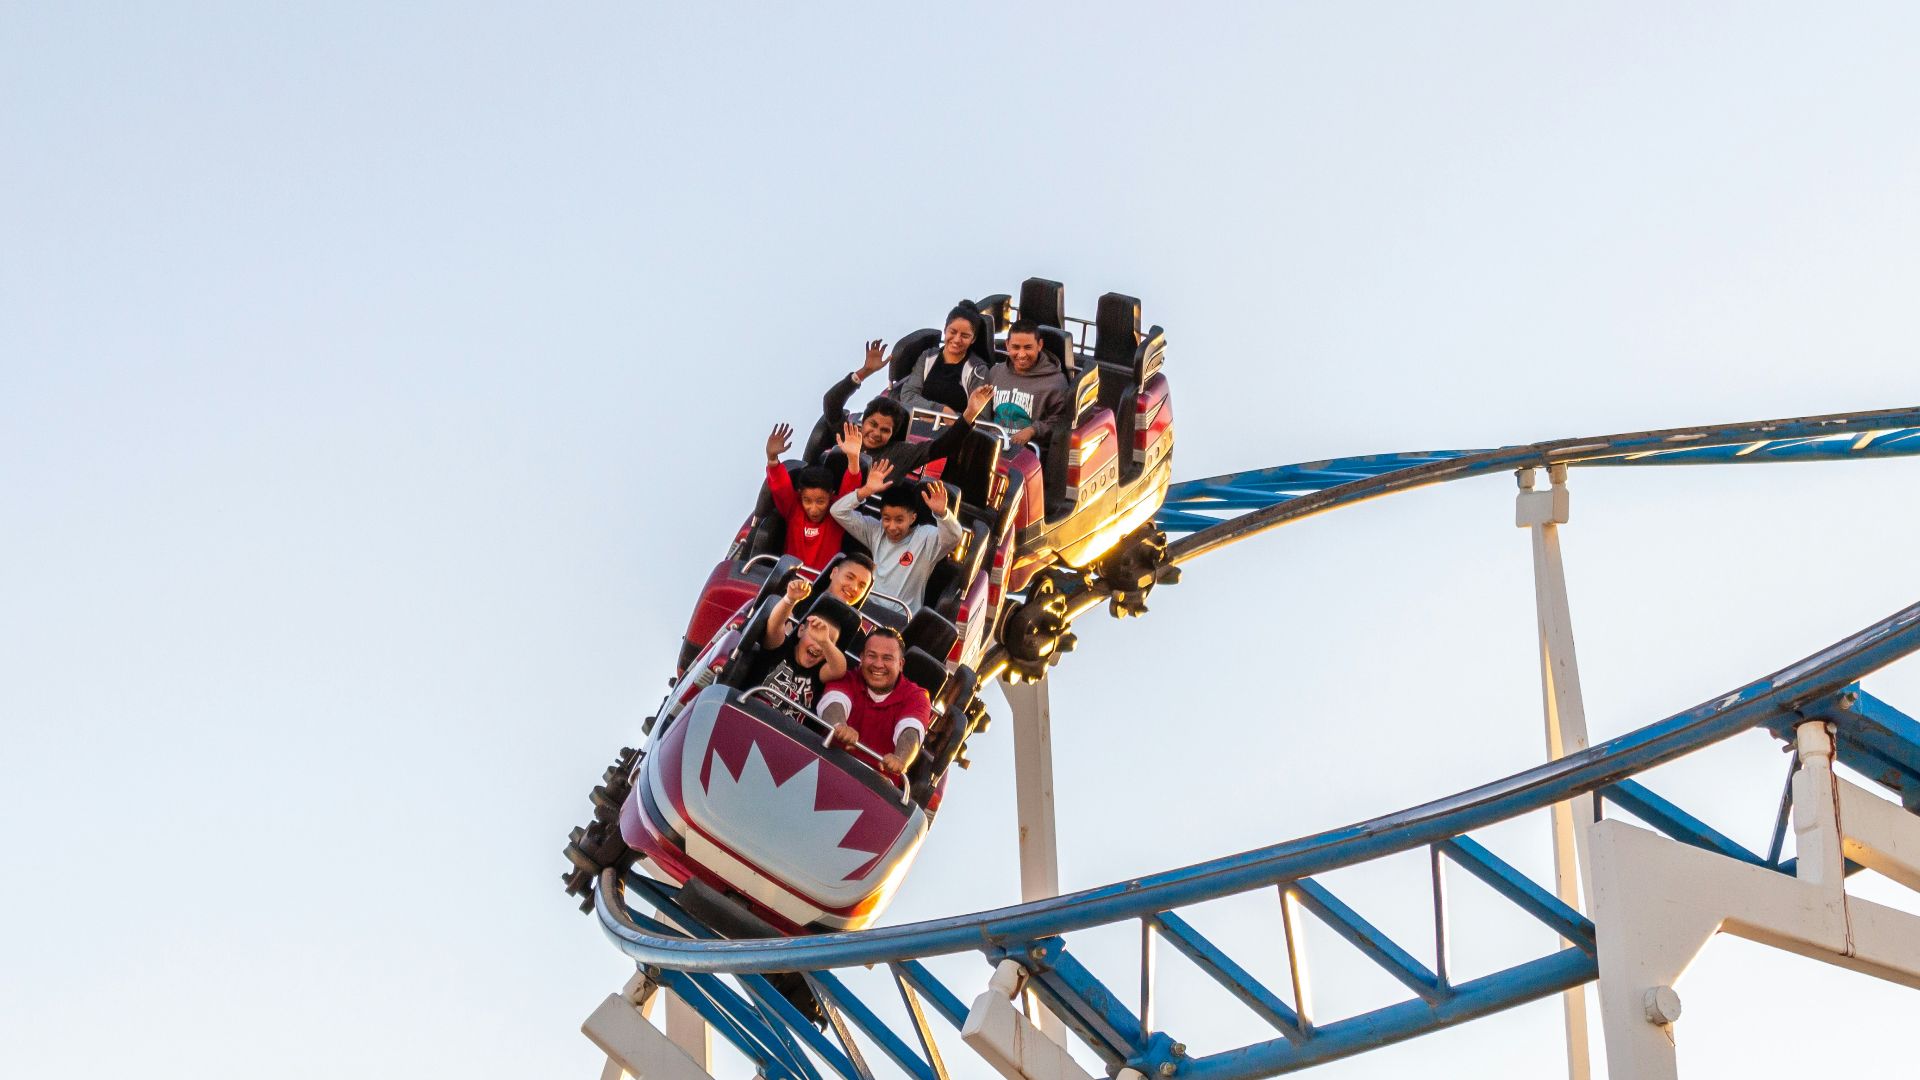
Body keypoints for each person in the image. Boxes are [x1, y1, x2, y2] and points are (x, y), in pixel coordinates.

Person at [817, 341, 995, 480]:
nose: (876, 433)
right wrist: (864, 371)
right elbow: (831, 403)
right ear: (863, 422)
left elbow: (943, 446)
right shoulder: (851, 434)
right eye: (873, 424)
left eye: (885, 430)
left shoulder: (899, 453)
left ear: (893, 434)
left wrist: (970, 413)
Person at [830, 459, 963, 614]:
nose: (892, 527)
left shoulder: (925, 537)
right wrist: (865, 490)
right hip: (866, 609)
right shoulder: (876, 530)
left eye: (899, 520)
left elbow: (954, 536)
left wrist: (942, 513)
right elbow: (838, 512)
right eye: (887, 519)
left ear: (912, 518)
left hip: (901, 618)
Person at [820, 628, 929, 778]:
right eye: (872, 656)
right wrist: (839, 725)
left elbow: (911, 732)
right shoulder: (846, 677)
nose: (878, 664)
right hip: (827, 764)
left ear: (901, 664)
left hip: (875, 786)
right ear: (862, 658)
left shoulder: (916, 696)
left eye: (887, 658)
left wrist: (900, 758)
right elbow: (833, 703)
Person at [743, 577, 850, 720]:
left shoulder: (819, 674)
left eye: (828, 641)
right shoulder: (781, 648)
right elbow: (775, 625)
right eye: (814, 635)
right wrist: (789, 599)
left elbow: (839, 668)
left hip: (784, 734)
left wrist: (825, 641)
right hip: (750, 715)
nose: (819, 644)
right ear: (800, 631)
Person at [763, 423, 861, 571]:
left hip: (820, 588)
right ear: (800, 494)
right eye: (807, 501)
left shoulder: (837, 513)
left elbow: (851, 488)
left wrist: (853, 458)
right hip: (786, 581)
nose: (813, 508)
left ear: (831, 495)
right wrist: (772, 458)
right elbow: (780, 486)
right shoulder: (793, 508)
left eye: (820, 501)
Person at [986, 319, 1071, 456]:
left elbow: (1061, 421)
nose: (1021, 354)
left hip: (1029, 454)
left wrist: (1032, 430)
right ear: (1007, 345)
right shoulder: (995, 372)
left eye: (1028, 347)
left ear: (1039, 345)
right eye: (1016, 347)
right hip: (992, 447)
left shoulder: (1055, 381)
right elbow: (984, 412)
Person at [893, 307, 992, 415]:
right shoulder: (927, 357)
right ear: (945, 330)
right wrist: (941, 410)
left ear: (973, 339)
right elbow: (908, 395)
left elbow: (981, 418)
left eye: (965, 336)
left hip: (955, 430)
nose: (957, 339)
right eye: (953, 332)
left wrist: (949, 418)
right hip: (917, 426)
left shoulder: (978, 370)